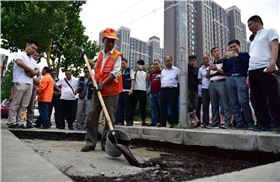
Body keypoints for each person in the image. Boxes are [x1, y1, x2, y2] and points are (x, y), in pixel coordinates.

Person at [81, 28, 122, 152]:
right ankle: (90, 143)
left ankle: (106, 143)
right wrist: (85, 59)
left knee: (109, 119)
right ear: (103, 40)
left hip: (111, 92)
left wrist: (103, 83)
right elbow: (96, 66)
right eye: (108, 41)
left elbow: (115, 72)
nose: (110, 43)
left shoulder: (117, 56)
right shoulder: (100, 55)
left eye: (113, 41)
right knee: (92, 115)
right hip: (98, 91)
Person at [247, 15, 280, 131]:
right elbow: (252, 56)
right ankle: (263, 124)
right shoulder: (254, 39)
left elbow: (275, 46)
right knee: (256, 99)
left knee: (272, 97)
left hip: (265, 68)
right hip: (252, 70)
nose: (249, 27)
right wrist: (248, 75)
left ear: (257, 22)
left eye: (250, 24)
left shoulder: (269, 31)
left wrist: (272, 62)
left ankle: (277, 123)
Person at [222, 39, 254, 129]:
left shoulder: (245, 55)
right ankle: (239, 123)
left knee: (243, 101)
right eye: (231, 47)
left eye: (234, 46)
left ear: (239, 46)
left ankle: (249, 122)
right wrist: (224, 60)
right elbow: (225, 70)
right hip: (230, 79)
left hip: (241, 78)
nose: (233, 48)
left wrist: (238, 56)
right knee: (233, 103)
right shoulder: (229, 59)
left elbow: (247, 65)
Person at [8, 41, 40, 128]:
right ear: (27, 45)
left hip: (29, 84)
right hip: (19, 81)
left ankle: (20, 122)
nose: (34, 50)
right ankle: (11, 122)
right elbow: (19, 62)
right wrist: (31, 70)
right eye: (32, 48)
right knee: (15, 103)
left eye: (35, 49)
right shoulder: (20, 54)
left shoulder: (32, 60)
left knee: (24, 105)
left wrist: (33, 72)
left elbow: (37, 70)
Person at [206, 47, 231, 129]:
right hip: (212, 84)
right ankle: (215, 122)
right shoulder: (212, 63)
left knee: (225, 103)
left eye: (218, 51)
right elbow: (207, 77)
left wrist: (216, 69)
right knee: (214, 104)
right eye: (214, 51)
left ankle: (227, 122)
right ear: (212, 54)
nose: (216, 52)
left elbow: (227, 73)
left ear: (220, 52)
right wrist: (209, 69)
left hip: (222, 82)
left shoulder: (224, 61)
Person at [159, 56, 179, 128]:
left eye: (169, 60)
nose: (168, 62)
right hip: (163, 90)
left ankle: (174, 122)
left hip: (172, 90)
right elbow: (162, 80)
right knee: (162, 106)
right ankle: (162, 122)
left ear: (172, 61)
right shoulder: (163, 71)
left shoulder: (176, 70)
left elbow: (179, 80)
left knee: (173, 106)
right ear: (164, 62)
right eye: (166, 61)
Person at [115, 57, 135, 126]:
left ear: (126, 64)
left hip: (127, 91)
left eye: (123, 63)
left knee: (128, 107)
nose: (122, 65)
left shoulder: (130, 70)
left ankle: (129, 121)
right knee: (120, 107)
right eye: (121, 64)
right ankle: (120, 121)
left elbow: (132, 80)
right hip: (120, 91)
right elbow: (117, 81)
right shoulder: (119, 72)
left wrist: (131, 89)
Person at [26, 51, 41, 128]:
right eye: (35, 55)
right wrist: (33, 77)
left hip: (34, 86)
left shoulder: (38, 65)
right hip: (27, 84)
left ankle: (29, 123)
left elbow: (39, 75)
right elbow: (27, 74)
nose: (37, 57)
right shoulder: (27, 62)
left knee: (31, 105)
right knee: (23, 104)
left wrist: (37, 79)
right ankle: (19, 121)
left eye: (38, 56)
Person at [131, 59, 148, 126]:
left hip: (143, 91)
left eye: (141, 64)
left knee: (143, 107)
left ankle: (143, 121)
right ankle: (130, 120)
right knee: (133, 106)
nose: (140, 66)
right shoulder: (134, 72)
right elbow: (133, 78)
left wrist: (145, 69)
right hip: (135, 90)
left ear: (143, 65)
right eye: (138, 64)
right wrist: (136, 68)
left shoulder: (145, 73)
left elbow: (148, 79)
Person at [198, 54, 211, 128]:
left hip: (212, 87)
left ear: (209, 58)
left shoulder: (213, 66)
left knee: (215, 106)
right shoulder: (200, 69)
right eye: (204, 59)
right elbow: (199, 79)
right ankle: (205, 123)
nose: (205, 60)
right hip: (204, 88)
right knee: (205, 106)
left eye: (207, 58)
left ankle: (216, 122)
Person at [188, 55, 200, 127]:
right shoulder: (185, 68)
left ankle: (192, 121)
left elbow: (199, 80)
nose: (192, 62)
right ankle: (195, 118)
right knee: (188, 104)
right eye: (190, 60)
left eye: (193, 60)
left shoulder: (197, 69)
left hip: (195, 89)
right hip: (187, 89)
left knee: (194, 105)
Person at [149, 59, 162, 126]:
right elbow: (150, 82)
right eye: (154, 64)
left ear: (160, 64)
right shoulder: (151, 73)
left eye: (156, 64)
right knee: (153, 108)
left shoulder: (162, 72)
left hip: (159, 93)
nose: (155, 65)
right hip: (152, 93)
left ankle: (160, 122)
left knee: (159, 107)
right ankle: (153, 122)